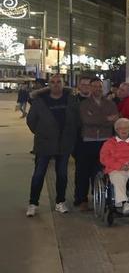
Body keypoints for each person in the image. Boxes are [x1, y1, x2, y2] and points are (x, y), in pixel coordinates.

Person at [26, 74, 81, 217]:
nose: (56, 84)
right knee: (39, 174)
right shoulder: (40, 101)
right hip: (44, 144)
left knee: (62, 175)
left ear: (63, 84)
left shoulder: (71, 100)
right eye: (53, 82)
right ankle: (33, 203)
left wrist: (71, 135)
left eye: (58, 82)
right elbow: (31, 120)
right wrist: (41, 133)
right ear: (49, 85)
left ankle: (60, 202)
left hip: (64, 144)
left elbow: (77, 119)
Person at [74, 78, 119, 211]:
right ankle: (81, 199)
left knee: (100, 171)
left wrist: (96, 118)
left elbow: (115, 119)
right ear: (90, 88)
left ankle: (98, 198)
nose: (97, 89)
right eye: (94, 86)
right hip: (87, 141)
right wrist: (106, 119)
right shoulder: (84, 104)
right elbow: (86, 120)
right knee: (83, 172)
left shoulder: (110, 103)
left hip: (105, 141)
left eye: (99, 86)